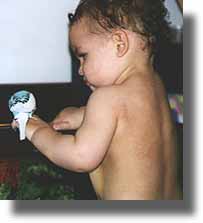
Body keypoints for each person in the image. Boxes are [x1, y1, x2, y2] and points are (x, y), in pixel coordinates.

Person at [13, 0, 182, 200]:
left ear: (120, 44)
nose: (80, 69)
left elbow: (80, 157)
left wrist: (38, 131)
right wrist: (79, 114)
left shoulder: (105, 98)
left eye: (84, 56)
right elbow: (129, 121)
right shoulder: (156, 87)